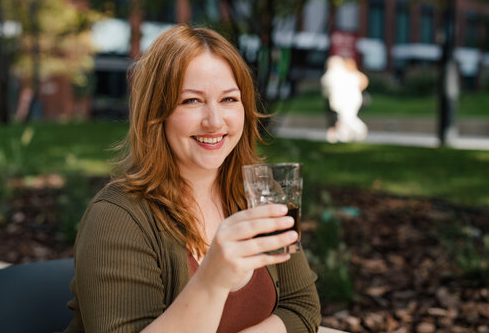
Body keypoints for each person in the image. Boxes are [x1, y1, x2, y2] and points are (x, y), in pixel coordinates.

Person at [63, 24, 321, 333]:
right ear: (157, 112)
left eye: (228, 99)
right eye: (191, 101)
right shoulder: (117, 217)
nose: (214, 121)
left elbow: (302, 307)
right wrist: (211, 279)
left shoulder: (258, 194)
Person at [320, 55, 367, 143]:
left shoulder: (331, 74)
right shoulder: (349, 73)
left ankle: (361, 130)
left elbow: (325, 87)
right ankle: (345, 136)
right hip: (354, 99)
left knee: (347, 118)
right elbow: (362, 80)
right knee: (343, 118)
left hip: (344, 101)